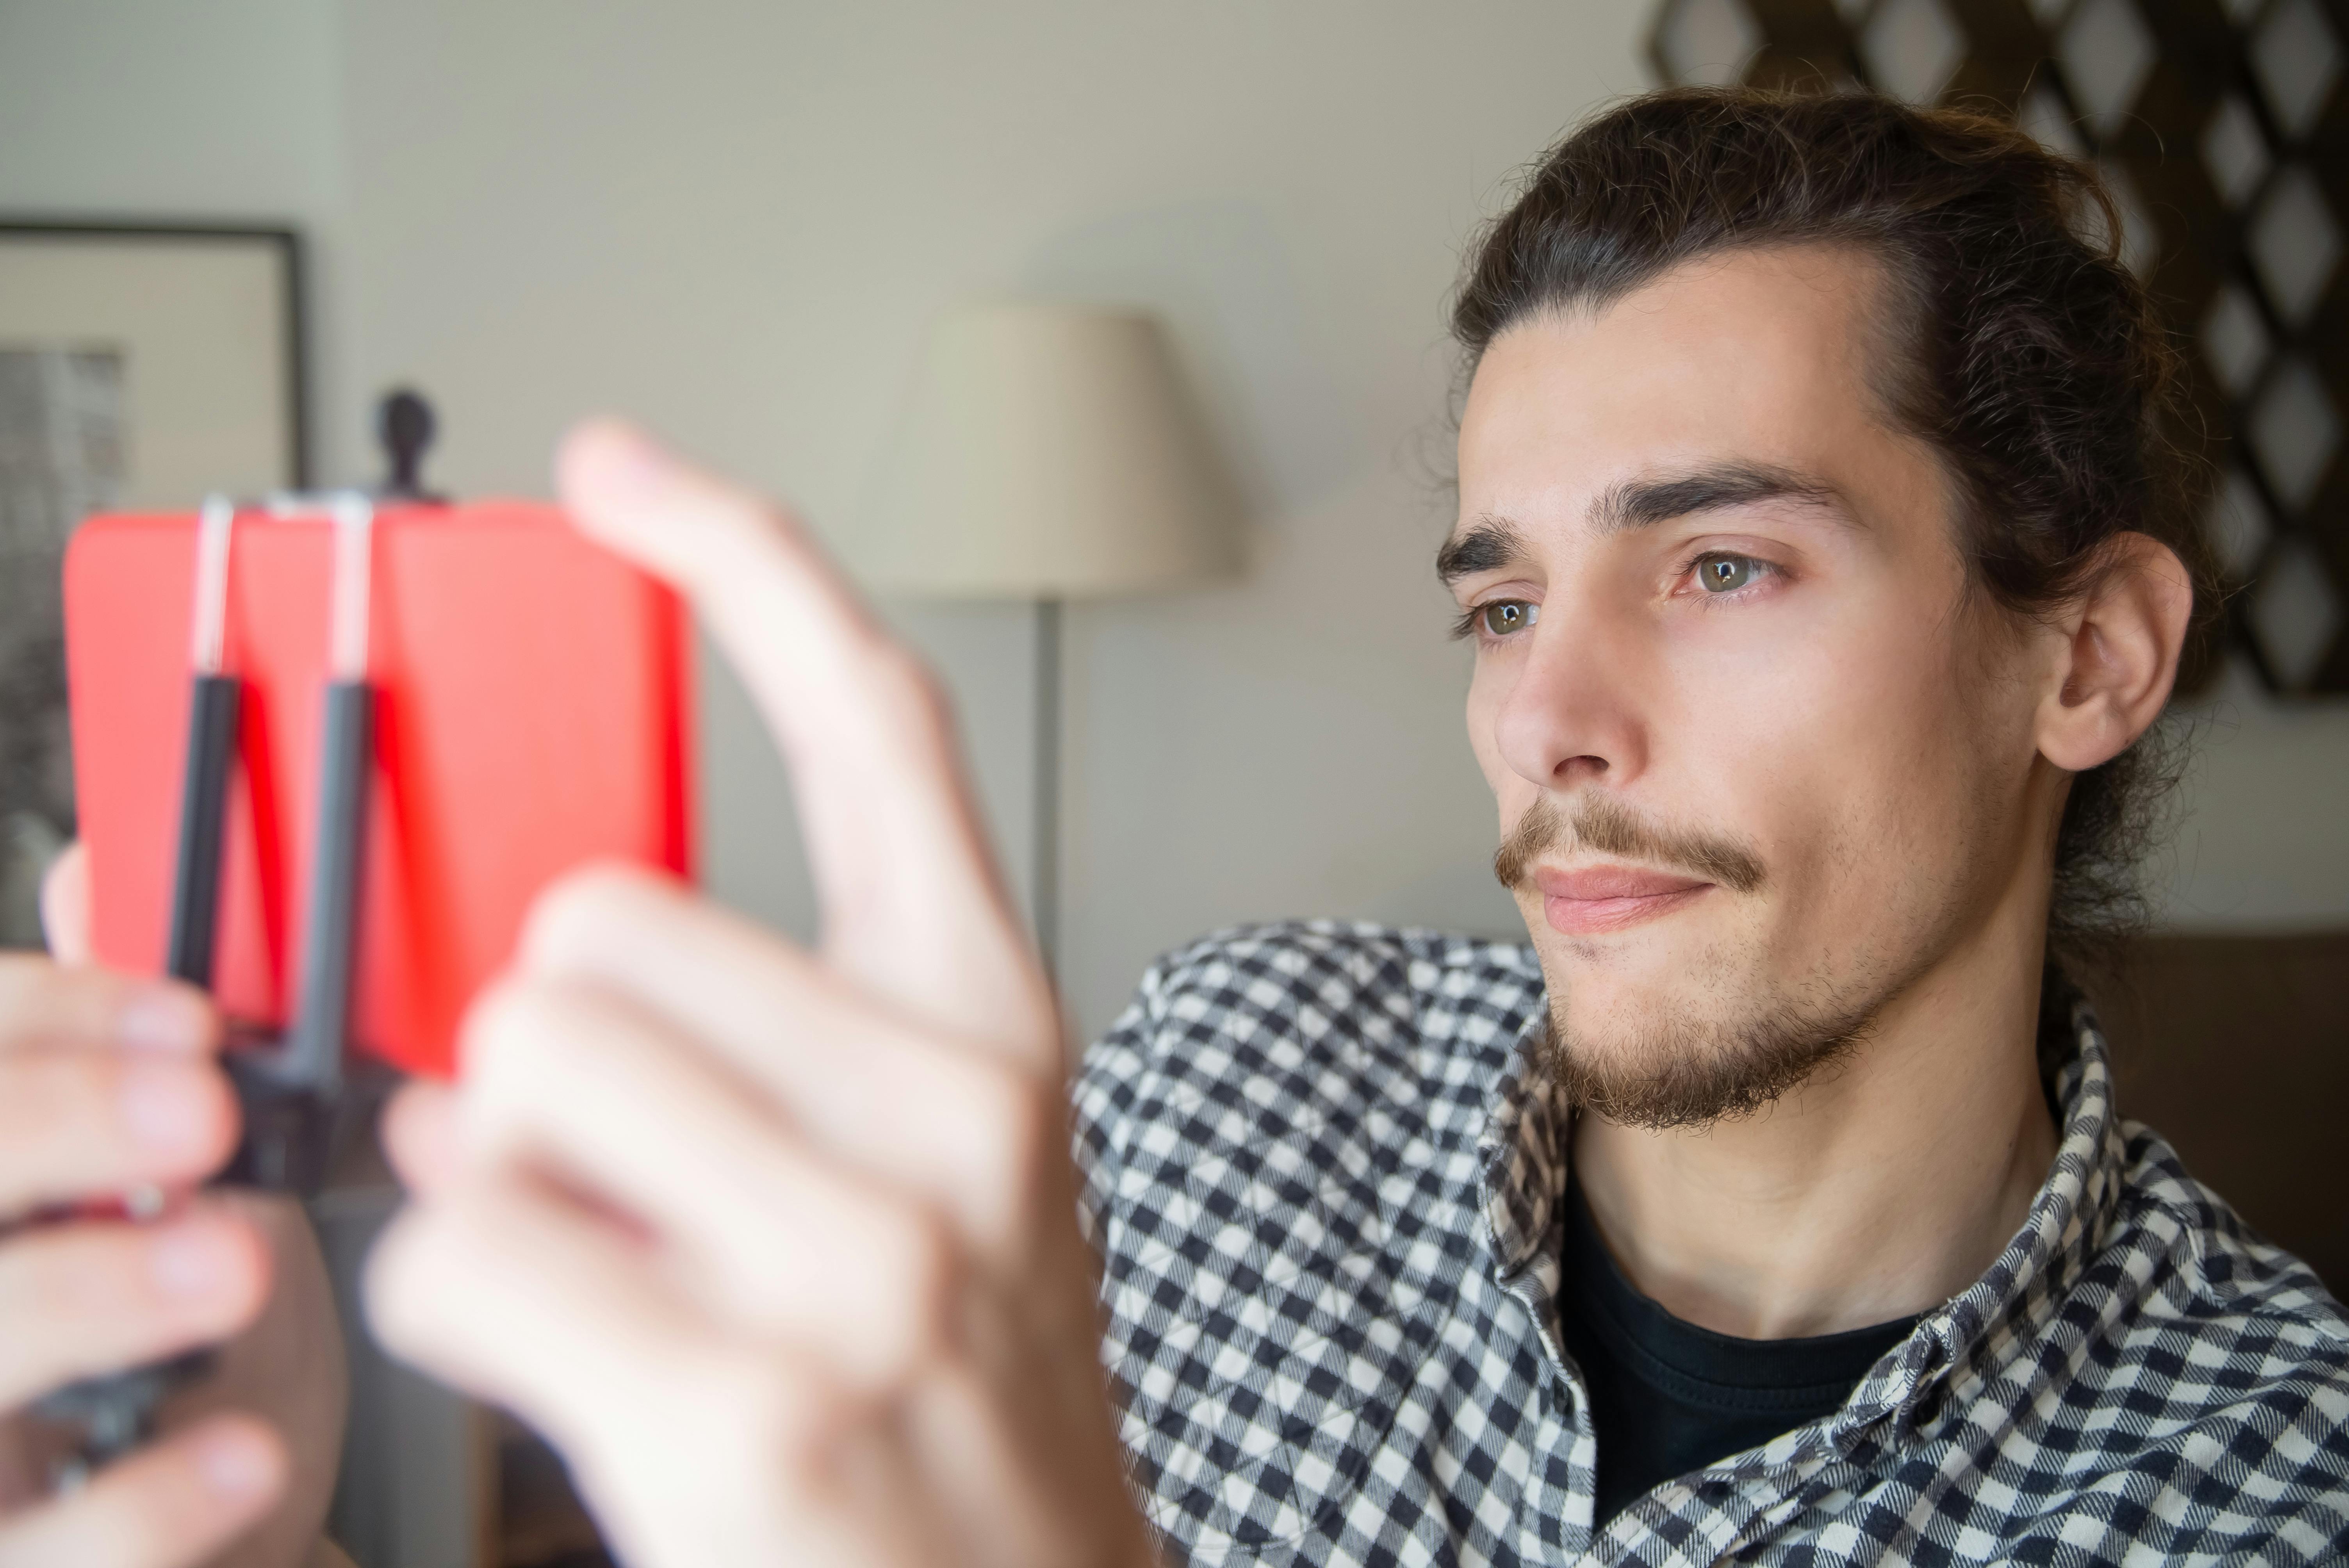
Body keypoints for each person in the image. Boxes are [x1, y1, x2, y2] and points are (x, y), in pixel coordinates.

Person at [3, 83, 2345, 1568]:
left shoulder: (2268, 1482)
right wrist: (235, 1520)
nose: (1550, 714)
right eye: (1501, 598)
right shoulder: (1226, 1077)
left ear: (2088, 657)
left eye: (1720, 567)